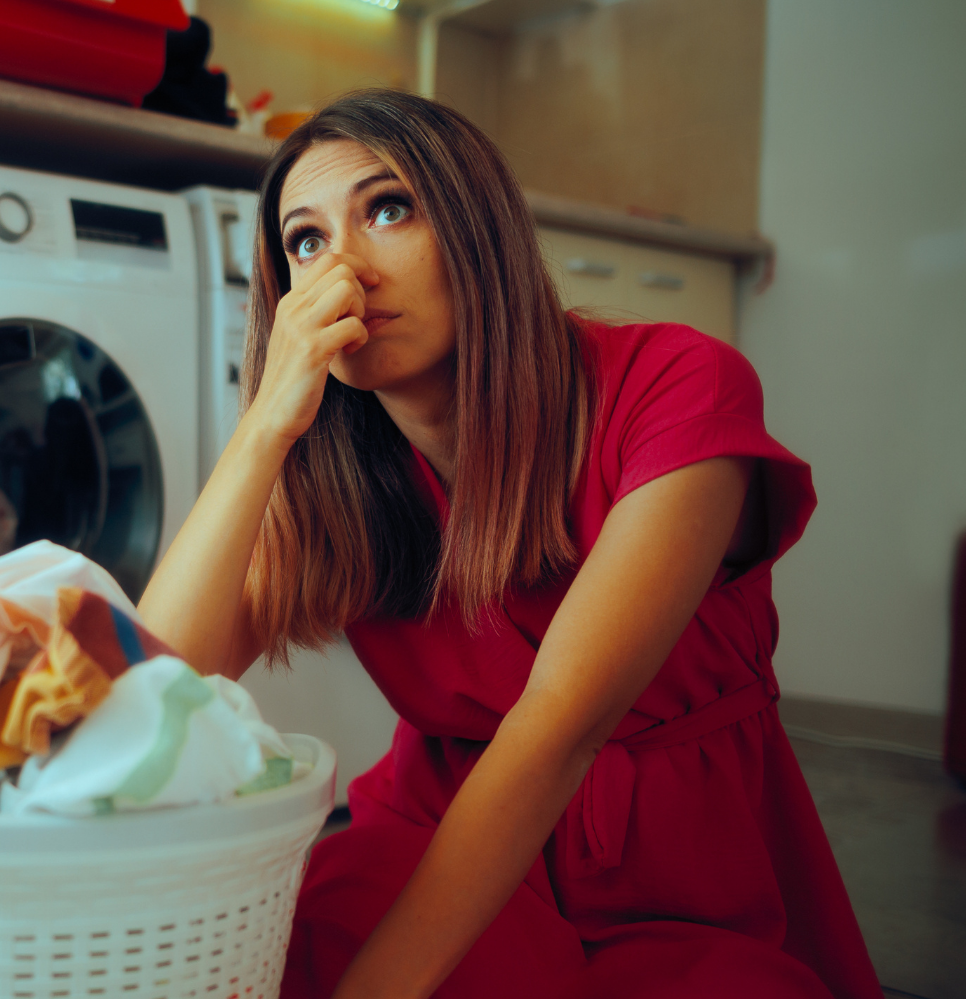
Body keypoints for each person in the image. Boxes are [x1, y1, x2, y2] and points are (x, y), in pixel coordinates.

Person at [138, 89, 878, 999]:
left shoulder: (679, 387)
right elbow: (151, 690)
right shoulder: (341, 480)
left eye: (387, 208)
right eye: (306, 241)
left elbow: (558, 727)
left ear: (478, 227)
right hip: (432, 837)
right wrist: (264, 426)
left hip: (682, 876)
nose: (344, 272)